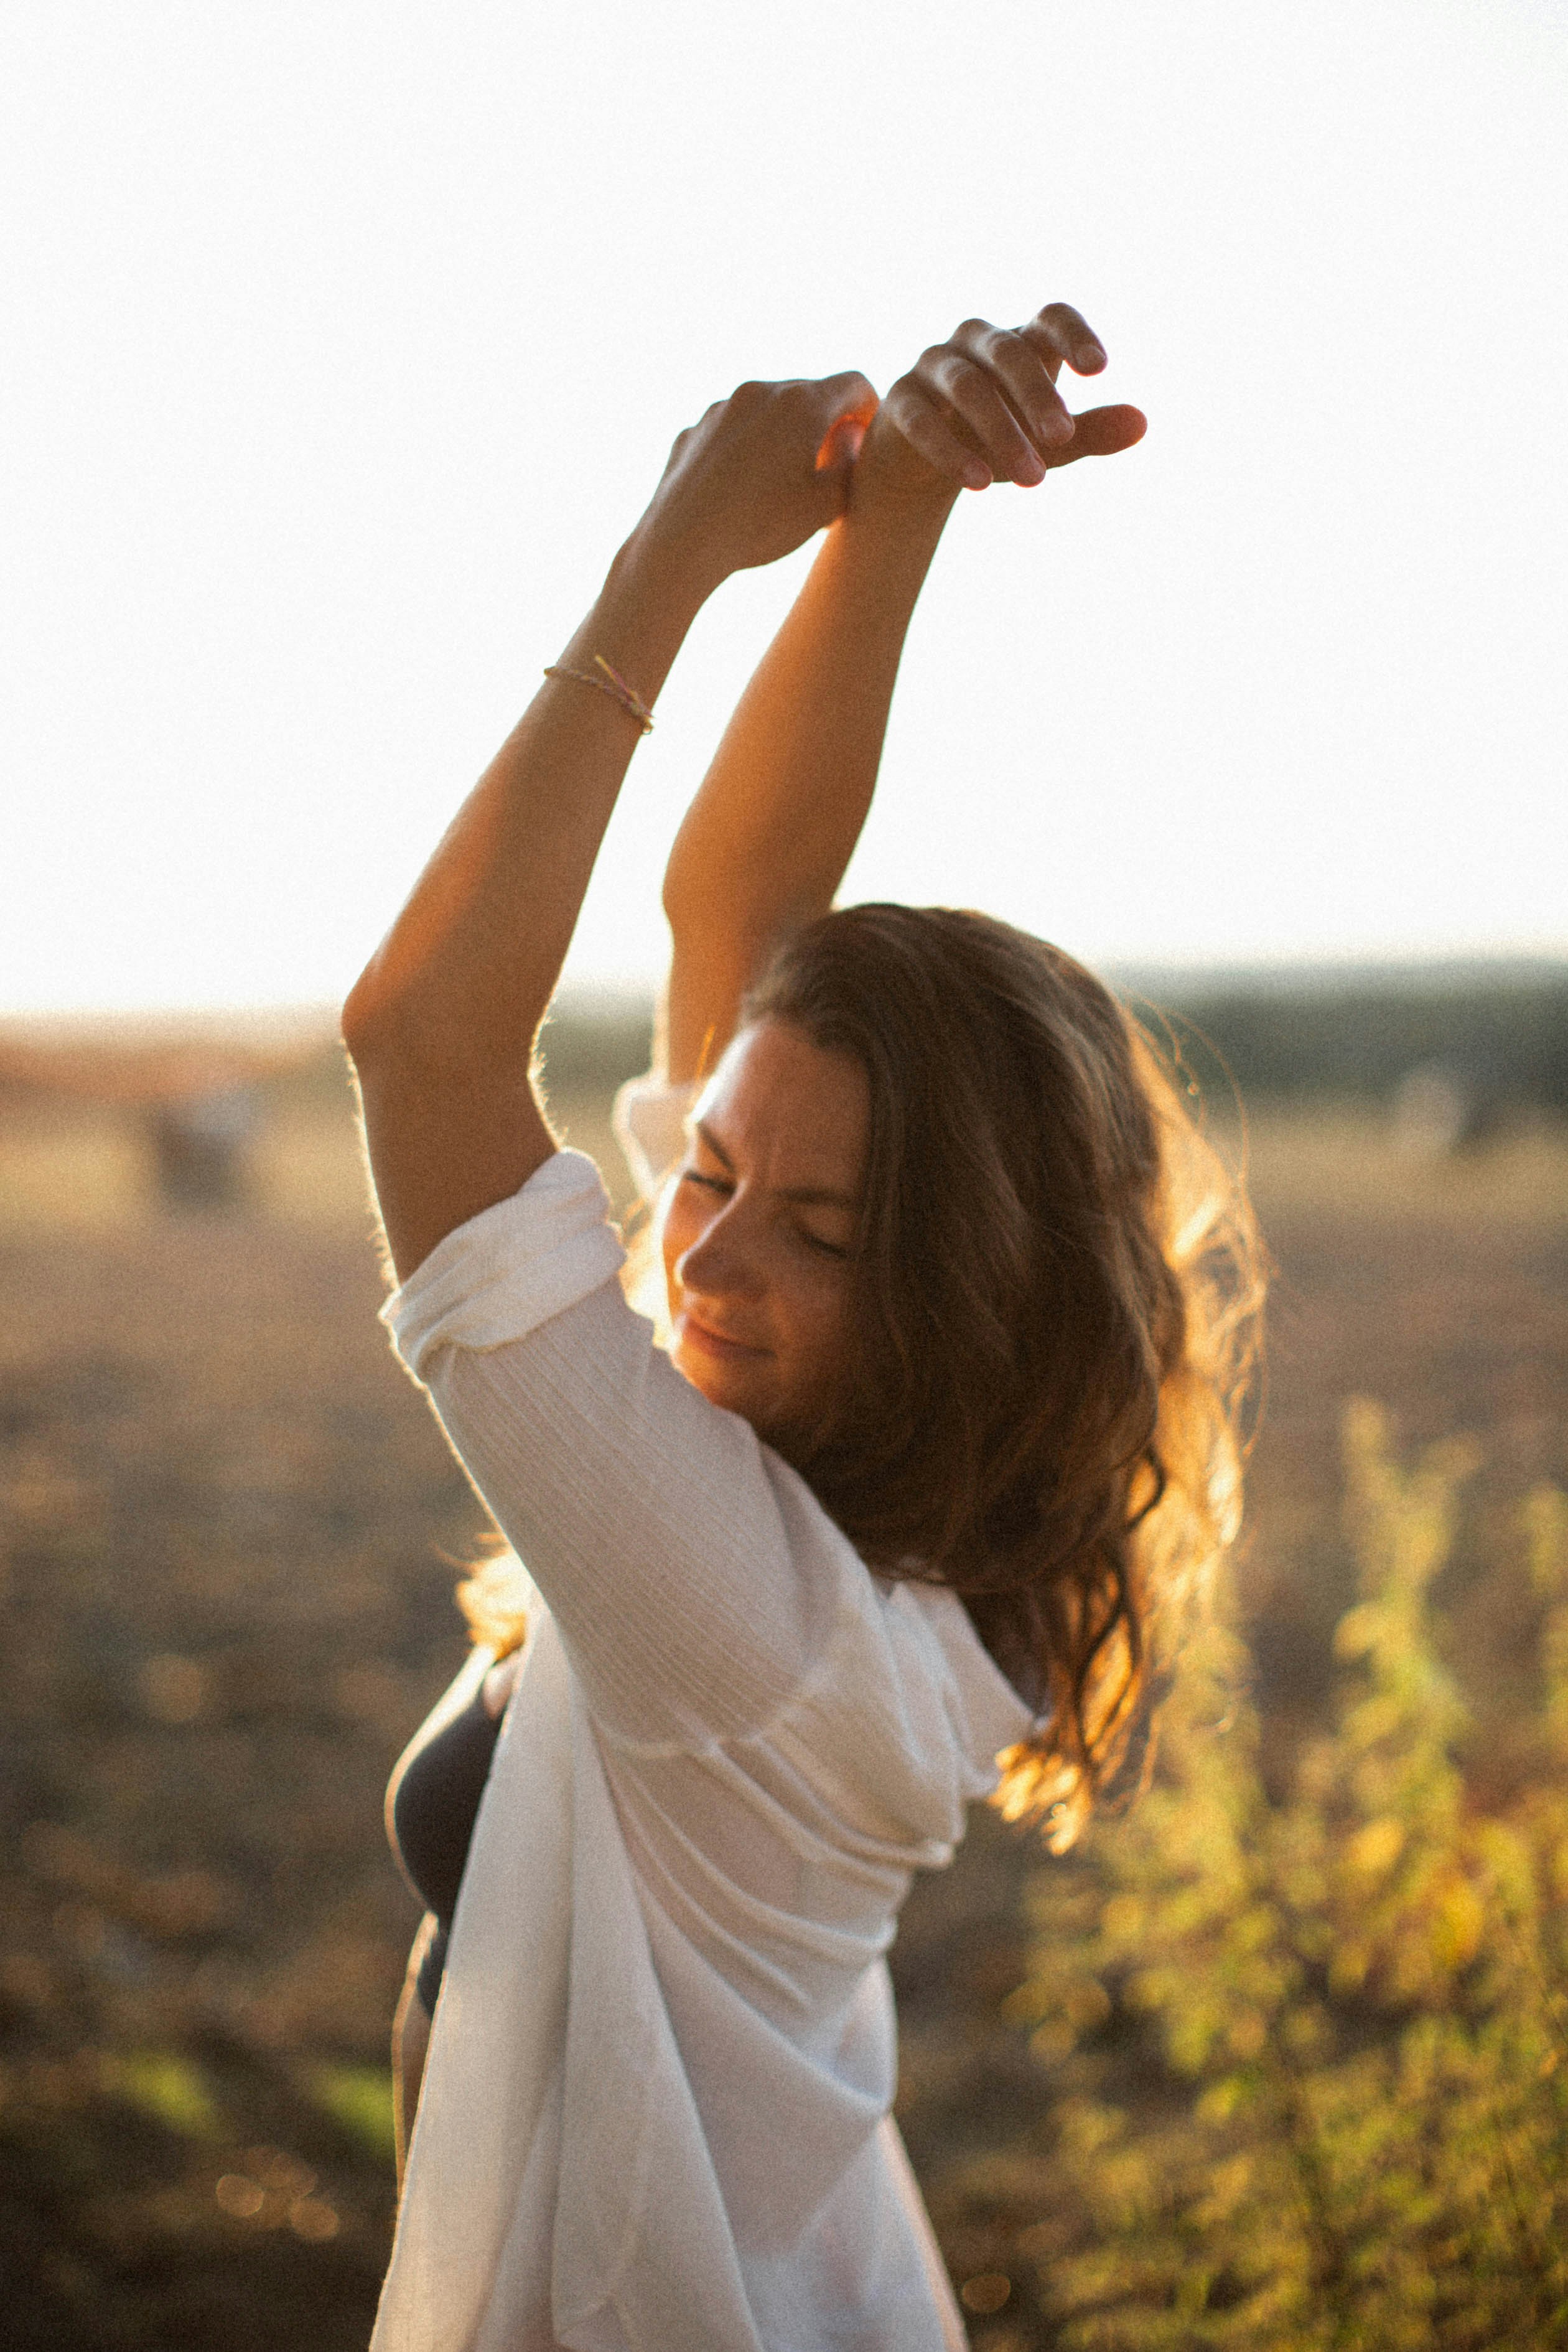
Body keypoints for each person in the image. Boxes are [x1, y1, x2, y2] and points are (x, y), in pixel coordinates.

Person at [344, 301, 1262, 2352]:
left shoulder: (763, 1623)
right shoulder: (880, 1495)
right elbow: (740, 917)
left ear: (957, 1300)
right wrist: (897, 509)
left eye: (821, 1227)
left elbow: (421, 1045)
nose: (705, 1256)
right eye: (712, 1169)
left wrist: (670, 549)